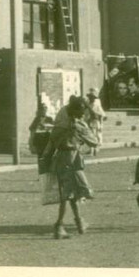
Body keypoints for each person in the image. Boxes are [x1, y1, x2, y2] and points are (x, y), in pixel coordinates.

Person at [48, 96, 98, 238]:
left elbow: (53, 139)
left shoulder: (61, 123)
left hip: (60, 159)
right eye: (82, 112)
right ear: (77, 112)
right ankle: (59, 226)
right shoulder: (79, 125)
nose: (83, 114)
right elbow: (94, 142)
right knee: (68, 194)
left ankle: (79, 222)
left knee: (71, 193)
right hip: (72, 160)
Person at [85, 88, 106, 156]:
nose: (91, 99)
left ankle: (93, 150)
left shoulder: (96, 105)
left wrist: (101, 124)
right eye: (90, 97)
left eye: (92, 97)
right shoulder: (88, 104)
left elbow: (102, 114)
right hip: (89, 122)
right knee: (90, 136)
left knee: (94, 136)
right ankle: (91, 150)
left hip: (95, 122)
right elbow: (86, 114)